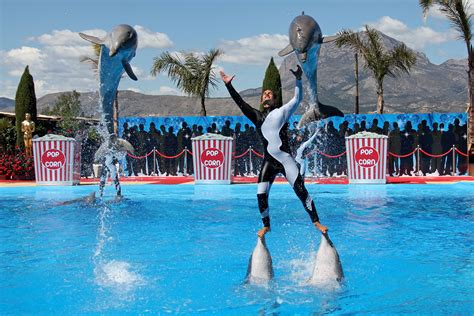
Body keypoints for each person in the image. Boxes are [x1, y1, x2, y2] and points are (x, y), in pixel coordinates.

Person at [220, 66, 327, 238]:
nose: (267, 95)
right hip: (269, 162)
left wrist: (298, 79)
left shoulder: (282, 112)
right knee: (261, 194)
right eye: (264, 94)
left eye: (270, 94)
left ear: (274, 99)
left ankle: (316, 222)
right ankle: (266, 226)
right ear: (262, 100)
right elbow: (240, 102)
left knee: (301, 191)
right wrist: (228, 86)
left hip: (286, 161)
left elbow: (297, 99)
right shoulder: (256, 116)